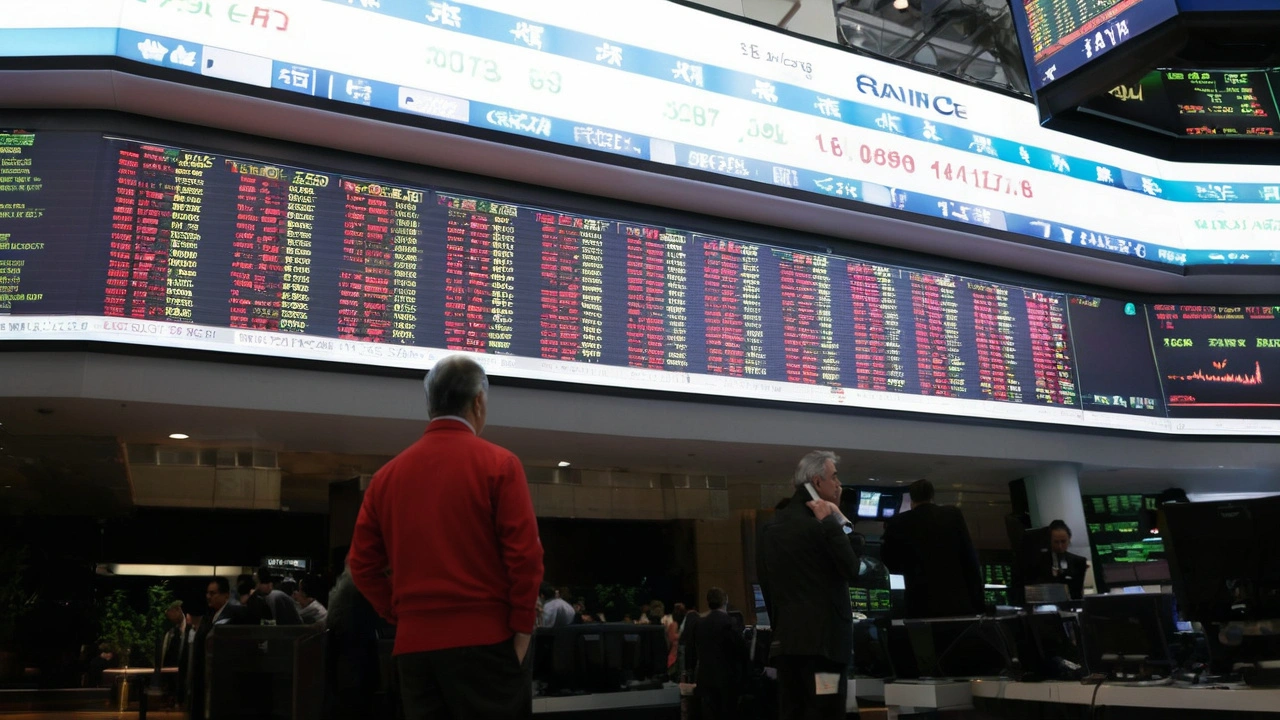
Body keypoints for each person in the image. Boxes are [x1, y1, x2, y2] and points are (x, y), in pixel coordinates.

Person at [349, 355, 544, 720]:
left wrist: (398, 612)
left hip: (414, 649)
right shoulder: (500, 465)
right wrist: (521, 630)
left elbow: (361, 564)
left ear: (430, 405)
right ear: (478, 402)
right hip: (487, 643)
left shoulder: (386, 477)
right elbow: (526, 557)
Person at [757, 450, 862, 720]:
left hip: (787, 646)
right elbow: (852, 567)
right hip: (824, 649)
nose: (839, 484)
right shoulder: (822, 524)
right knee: (825, 712)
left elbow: (767, 588)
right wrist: (838, 521)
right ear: (817, 482)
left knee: (793, 712)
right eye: (835, 477)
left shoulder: (771, 527)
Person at [880, 479, 984, 619]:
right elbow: (969, 559)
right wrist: (978, 602)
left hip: (920, 603)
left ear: (912, 498)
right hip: (957, 601)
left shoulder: (898, 522)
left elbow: (890, 562)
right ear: (932, 495)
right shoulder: (952, 515)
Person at [325, 567, 381, 720]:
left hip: (347, 656)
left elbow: (334, 619)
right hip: (357, 657)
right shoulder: (358, 584)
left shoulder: (348, 584)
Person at [189, 577, 249, 720]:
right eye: (207, 593)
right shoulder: (209, 615)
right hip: (205, 674)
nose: (208, 596)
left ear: (225, 595)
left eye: (213, 593)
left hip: (223, 678)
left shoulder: (235, 614)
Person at [688, 587, 747, 720]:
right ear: (725, 601)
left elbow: (692, 651)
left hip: (705, 679)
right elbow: (741, 651)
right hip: (727, 680)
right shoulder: (729, 622)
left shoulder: (699, 624)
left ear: (708, 602)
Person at [1045, 519, 1089, 600]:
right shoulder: (1040, 562)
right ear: (1049, 541)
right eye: (1056, 542)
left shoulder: (1079, 562)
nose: (1060, 546)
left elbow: (1078, 593)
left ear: (1069, 539)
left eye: (1063, 541)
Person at [157, 601, 188, 706]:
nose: (168, 616)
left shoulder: (189, 627)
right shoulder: (171, 631)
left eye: (170, 612)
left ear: (178, 610)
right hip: (172, 675)